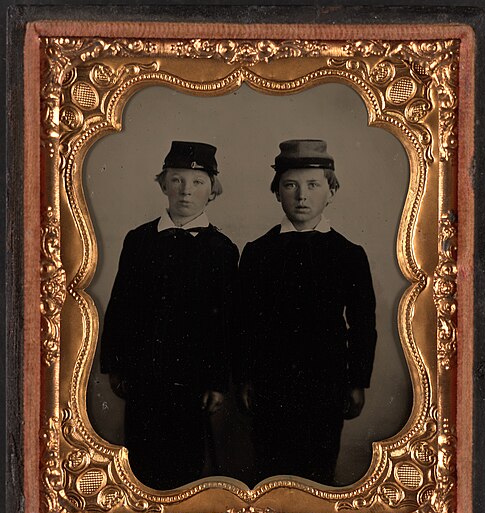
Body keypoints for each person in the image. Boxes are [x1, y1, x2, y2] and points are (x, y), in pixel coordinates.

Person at [100, 141, 239, 490]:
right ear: (163, 184)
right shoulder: (139, 240)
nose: (186, 191)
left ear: (212, 190)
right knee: (141, 463)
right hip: (144, 374)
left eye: (197, 182)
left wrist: (217, 381)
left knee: (186, 466)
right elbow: (121, 305)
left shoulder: (222, 249)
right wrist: (116, 364)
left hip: (192, 381)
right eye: (177, 180)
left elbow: (226, 322)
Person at [238, 139, 377, 485]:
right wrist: (243, 377)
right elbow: (242, 322)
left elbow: (363, 324)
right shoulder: (257, 252)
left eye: (313, 185)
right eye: (291, 185)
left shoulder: (349, 254)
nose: (302, 196)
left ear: (330, 191)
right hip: (271, 384)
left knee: (319, 470)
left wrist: (358, 381)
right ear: (277, 192)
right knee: (270, 471)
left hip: (326, 385)